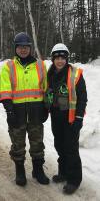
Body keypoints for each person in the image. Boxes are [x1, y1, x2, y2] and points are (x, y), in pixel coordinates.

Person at [0, 32, 49, 186]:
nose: (23, 50)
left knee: (37, 143)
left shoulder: (40, 65)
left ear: (30, 48)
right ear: (16, 48)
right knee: (18, 145)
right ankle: (20, 171)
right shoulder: (9, 66)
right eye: (20, 47)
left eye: (26, 47)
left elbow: (46, 88)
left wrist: (46, 107)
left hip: (36, 112)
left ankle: (38, 170)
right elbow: (4, 89)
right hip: (17, 113)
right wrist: (9, 110)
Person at [45, 43, 87, 194]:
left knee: (71, 149)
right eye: (57, 58)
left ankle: (74, 180)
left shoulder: (75, 74)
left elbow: (82, 98)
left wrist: (79, 118)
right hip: (57, 116)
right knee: (59, 145)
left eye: (63, 58)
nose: (60, 61)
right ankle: (63, 173)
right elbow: (48, 93)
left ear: (66, 59)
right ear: (53, 59)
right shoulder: (50, 73)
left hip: (71, 118)